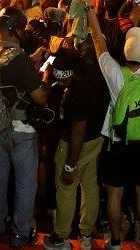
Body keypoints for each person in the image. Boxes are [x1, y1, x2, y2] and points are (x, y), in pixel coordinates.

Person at [86, 0, 140, 250]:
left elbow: (98, 39)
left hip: (117, 140)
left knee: (114, 192)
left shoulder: (115, 74)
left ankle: (116, 241)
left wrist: (87, 8)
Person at [0, 7, 49, 247]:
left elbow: (5, 72)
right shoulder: (20, 60)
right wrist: (46, 75)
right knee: (24, 184)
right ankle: (21, 233)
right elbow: (39, 97)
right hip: (21, 130)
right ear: (15, 30)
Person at [44, 45, 109, 250]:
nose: (60, 83)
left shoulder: (76, 96)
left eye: (63, 80)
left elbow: (77, 136)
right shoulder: (89, 72)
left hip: (76, 146)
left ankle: (61, 237)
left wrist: (69, 166)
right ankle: (86, 235)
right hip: (96, 140)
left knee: (66, 188)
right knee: (90, 188)